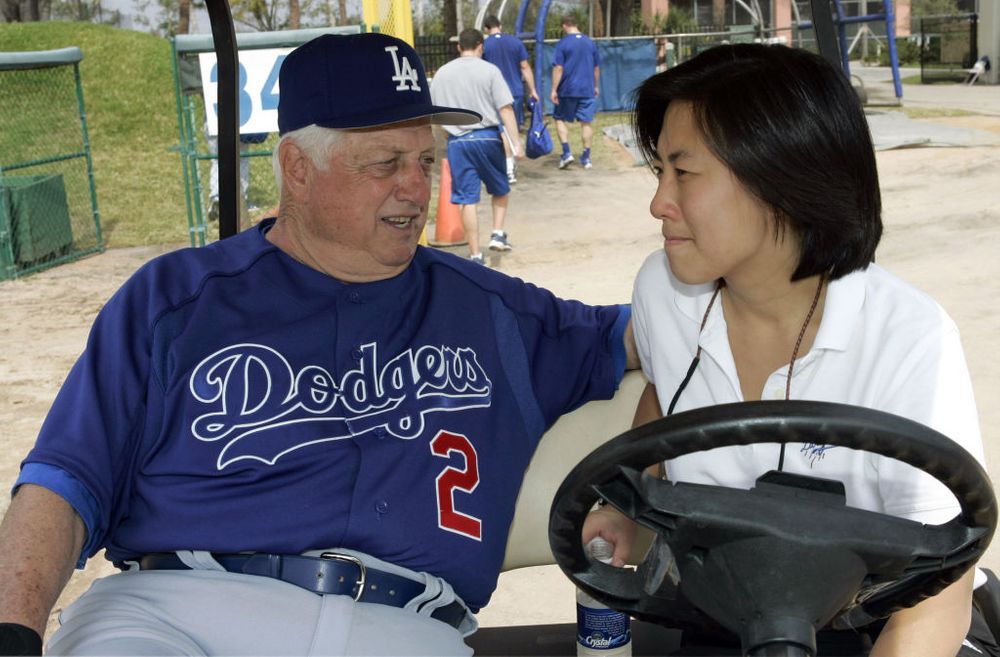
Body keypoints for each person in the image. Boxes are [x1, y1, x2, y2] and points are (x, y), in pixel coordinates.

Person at [0, 32, 638, 656]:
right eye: (385, 163)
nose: (416, 188)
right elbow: (63, 482)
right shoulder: (176, 299)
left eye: (425, 161)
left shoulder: (493, 309)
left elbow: (664, 334)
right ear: (297, 170)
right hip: (178, 612)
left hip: (407, 626)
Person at [582, 44, 993, 656]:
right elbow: (666, 399)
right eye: (658, 172)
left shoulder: (908, 336)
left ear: (779, 179)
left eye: (684, 173)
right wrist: (625, 502)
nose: (658, 203)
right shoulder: (663, 291)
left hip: (881, 621)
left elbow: (939, 594)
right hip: (728, 611)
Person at [431, 28, 522, 264]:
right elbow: (505, 108)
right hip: (488, 136)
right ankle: (497, 234)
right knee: (500, 189)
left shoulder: (442, 73)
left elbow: (435, 113)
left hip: (458, 142)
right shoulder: (490, 70)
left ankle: (474, 254)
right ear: (481, 45)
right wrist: (516, 142)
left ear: (459, 47)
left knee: (467, 199)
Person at [482, 14, 539, 184]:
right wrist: (533, 89)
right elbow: (524, 66)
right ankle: (511, 162)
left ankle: (508, 167)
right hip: (515, 91)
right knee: (513, 128)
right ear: (500, 25)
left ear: (486, 28)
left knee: (503, 131)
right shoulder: (515, 42)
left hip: (494, 93)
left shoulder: (484, 46)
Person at [550, 15, 600, 170]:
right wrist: (596, 86)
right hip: (587, 90)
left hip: (567, 90)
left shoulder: (563, 43)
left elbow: (558, 68)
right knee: (586, 122)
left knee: (559, 118)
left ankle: (566, 153)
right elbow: (596, 68)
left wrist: (553, 89)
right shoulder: (590, 42)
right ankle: (586, 158)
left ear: (565, 26)